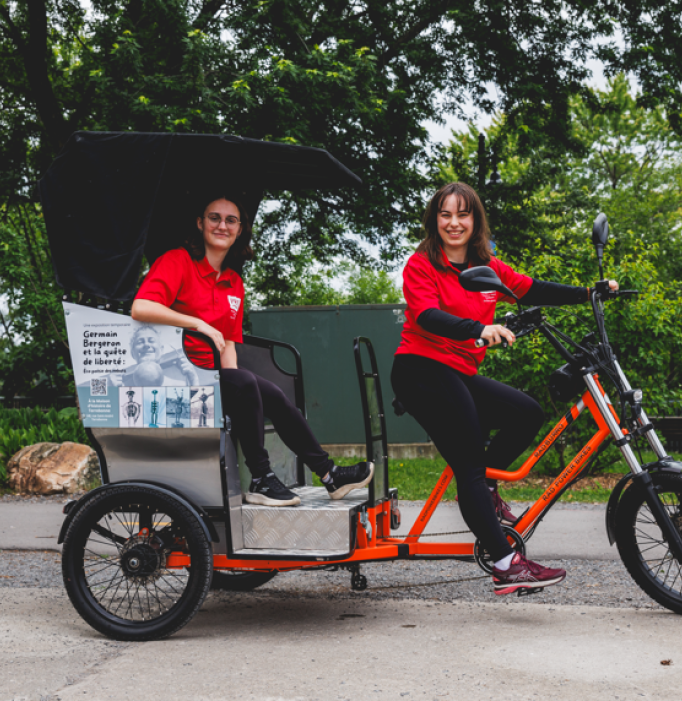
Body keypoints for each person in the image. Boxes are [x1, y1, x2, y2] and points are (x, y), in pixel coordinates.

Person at [390, 182, 616, 596]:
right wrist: (479, 328)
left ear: (475, 220)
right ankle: (505, 562)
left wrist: (588, 293)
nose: (454, 223)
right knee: (470, 460)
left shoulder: (487, 267)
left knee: (525, 413)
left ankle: (483, 492)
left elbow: (533, 289)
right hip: (421, 369)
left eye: (463, 214)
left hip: (457, 371)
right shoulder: (422, 265)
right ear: (434, 220)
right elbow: (426, 316)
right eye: (445, 214)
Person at [130, 194, 373, 506]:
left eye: (231, 220)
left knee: (269, 391)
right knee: (245, 383)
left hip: (212, 378)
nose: (222, 225)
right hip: (176, 377)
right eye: (214, 217)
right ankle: (260, 478)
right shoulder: (178, 262)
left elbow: (228, 343)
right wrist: (198, 324)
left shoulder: (233, 282)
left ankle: (329, 475)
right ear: (200, 223)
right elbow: (141, 307)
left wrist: (233, 389)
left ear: (240, 229)